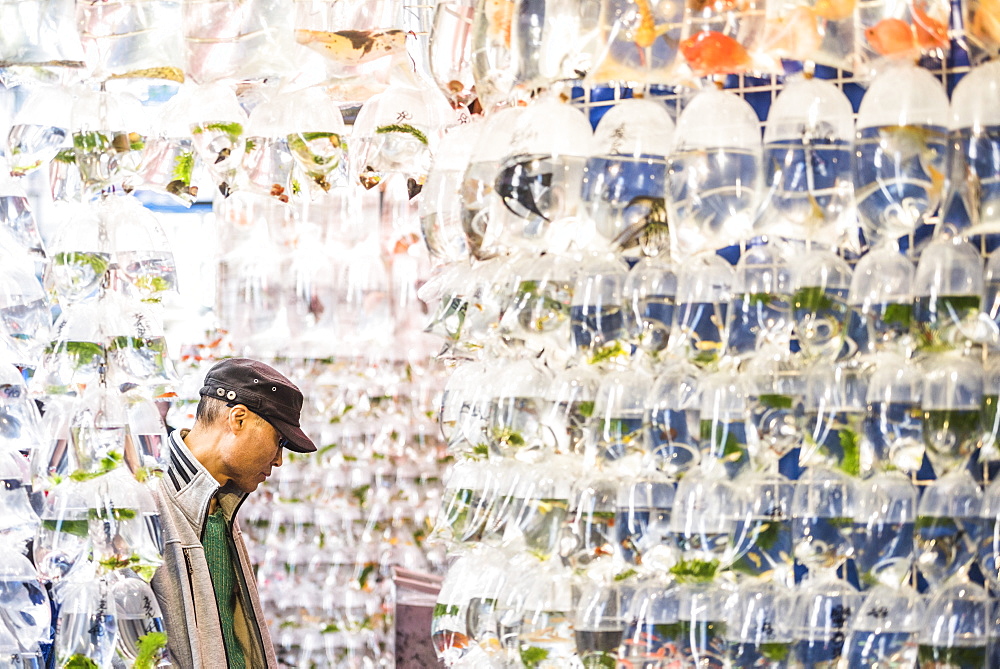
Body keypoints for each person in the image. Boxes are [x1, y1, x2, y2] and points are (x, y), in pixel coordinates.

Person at [151, 358, 316, 668]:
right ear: (238, 419)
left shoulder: (221, 502)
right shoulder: (148, 502)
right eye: (278, 441)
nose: (279, 460)